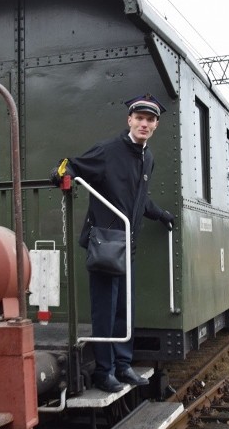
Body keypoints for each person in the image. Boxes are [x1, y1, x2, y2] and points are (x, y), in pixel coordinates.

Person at [49, 93, 174, 393]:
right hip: (105, 244)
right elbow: (73, 166)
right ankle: (104, 372)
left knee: (124, 309)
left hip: (127, 246)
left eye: (150, 120)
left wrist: (162, 215)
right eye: (139, 118)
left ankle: (123, 365)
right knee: (105, 311)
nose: (144, 124)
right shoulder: (108, 150)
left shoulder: (148, 158)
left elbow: (139, 199)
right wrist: (61, 174)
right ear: (129, 120)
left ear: (156, 125)